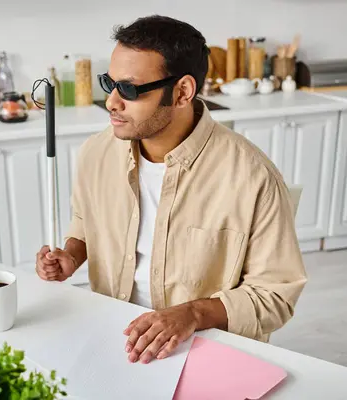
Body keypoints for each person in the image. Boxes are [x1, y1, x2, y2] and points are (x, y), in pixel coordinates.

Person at [35, 15, 307, 364]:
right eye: (110, 83)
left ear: (182, 92)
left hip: (206, 347)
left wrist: (192, 314)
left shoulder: (253, 177)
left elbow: (276, 297)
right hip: (113, 335)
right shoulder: (97, 152)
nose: (112, 102)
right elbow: (85, 221)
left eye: (130, 89)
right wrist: (72, 254)